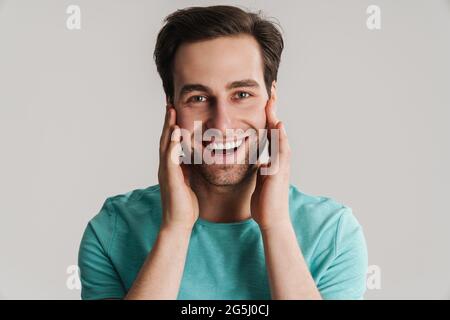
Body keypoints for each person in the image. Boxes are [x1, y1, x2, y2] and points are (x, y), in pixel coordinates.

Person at [78, 5, 368, 300]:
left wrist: (276, 225)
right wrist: (175, 229)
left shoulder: (333, 234)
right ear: (171, 105)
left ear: (272, 97)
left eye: (242, 95)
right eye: (198, 98)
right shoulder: (113, 231)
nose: (221, 122)